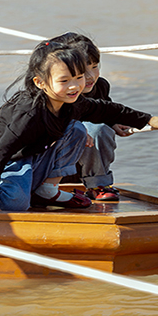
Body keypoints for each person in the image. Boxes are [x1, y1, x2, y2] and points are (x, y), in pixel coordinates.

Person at [0, 37, 158, 212]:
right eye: (64, 80)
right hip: (6, 158)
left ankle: (47, 189)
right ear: (41, 83)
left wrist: (148, 119)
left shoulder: (73, 103)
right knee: (14, 204)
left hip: (34, 155)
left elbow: (108, 109)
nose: (76, 86)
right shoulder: (29, 113)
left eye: (79, 78)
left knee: (77, 129)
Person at [56, 32, 132, 201]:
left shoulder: (101, 87)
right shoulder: (53, 94)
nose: (90, 76)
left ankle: (98, 184)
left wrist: (113, 123)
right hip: (54, 162)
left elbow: (104, 111)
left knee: (99, 129)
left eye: (94, 66)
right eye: (83, 70)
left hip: (86, 163)